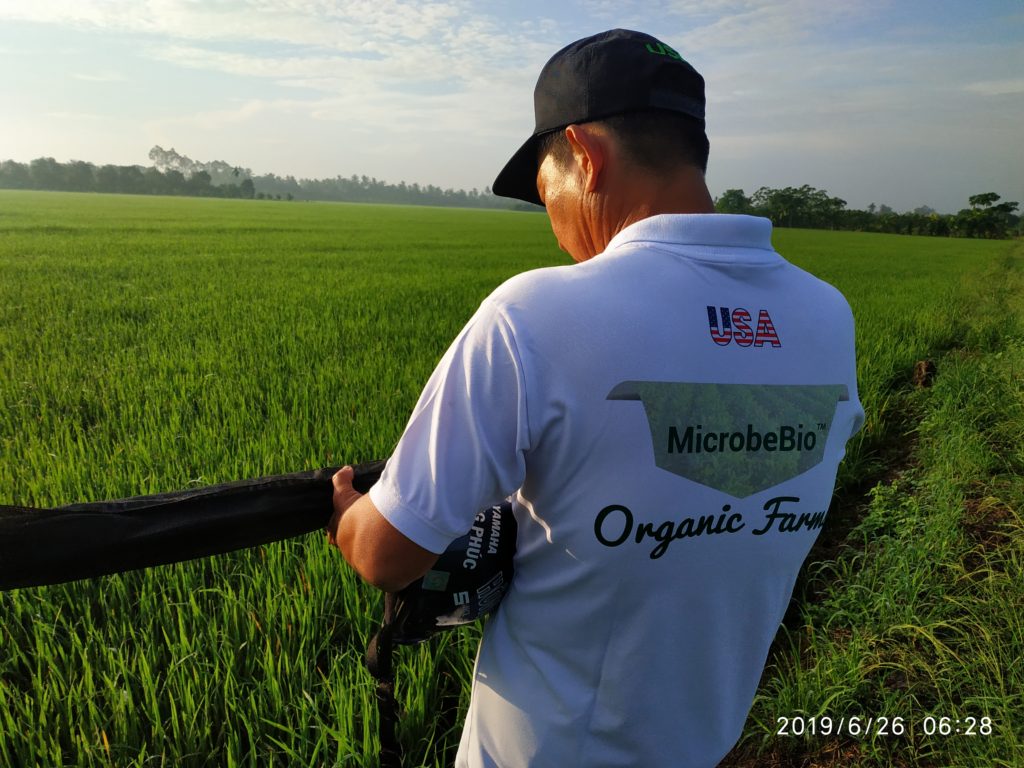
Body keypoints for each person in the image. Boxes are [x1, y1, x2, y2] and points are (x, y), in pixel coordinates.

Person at [327, 28, 864, 768]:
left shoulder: (532, 316)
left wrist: (348, 514)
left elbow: (388, 553)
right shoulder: (827, 316)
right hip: (704, 746)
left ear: (584, 154)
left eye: (544, 188)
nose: (554, 229)